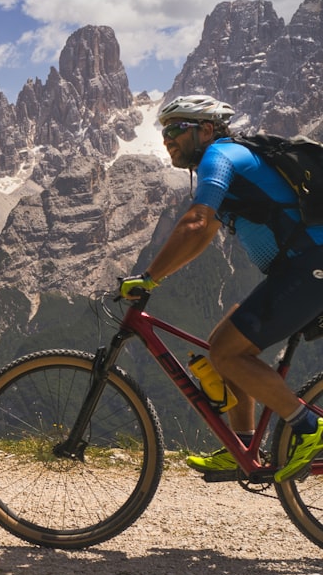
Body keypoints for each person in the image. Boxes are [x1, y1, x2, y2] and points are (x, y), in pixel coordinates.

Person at [119, 94, 323, 482]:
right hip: (301, 269)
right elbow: (204, 234)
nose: (168, 139)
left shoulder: (221, 156)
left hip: (312, 265)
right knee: (222, 344)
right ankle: (242, 445)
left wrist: (148, 278)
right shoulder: (227, 162)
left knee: (229, 352)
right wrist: (157, 277)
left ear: (206, 130)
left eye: (178, 129)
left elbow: (196, 222)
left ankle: (309, 427)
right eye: (164, 131)